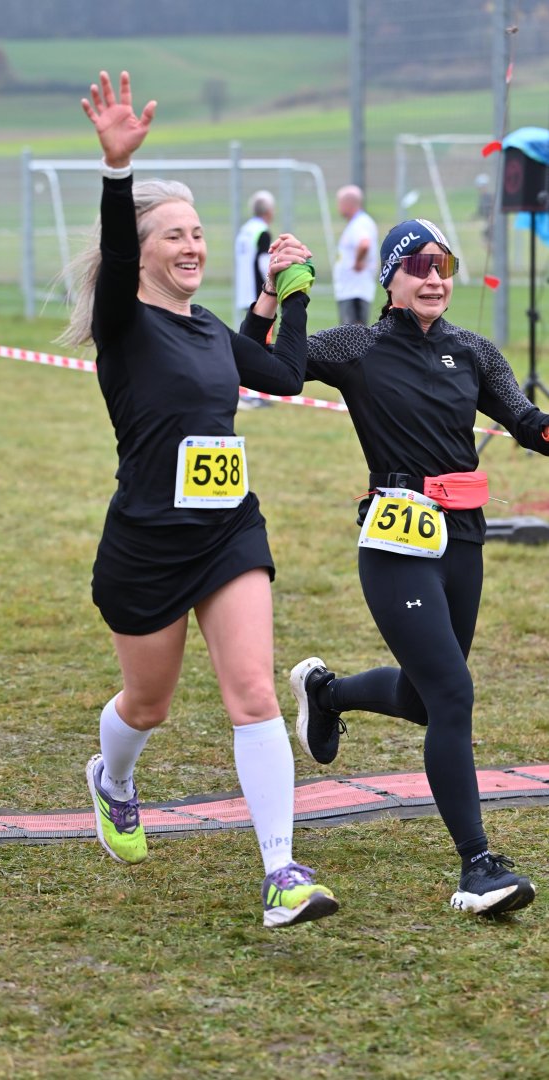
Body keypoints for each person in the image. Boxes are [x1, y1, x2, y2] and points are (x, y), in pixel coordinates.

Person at [67, 70, 337, 929]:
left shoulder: (210, 327)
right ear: (142, 251)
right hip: (148, 541)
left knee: (253, 693)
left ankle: (282, 872)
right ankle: (113, 780)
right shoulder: (123, 323)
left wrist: (288, 294)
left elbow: (283, 374)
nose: (192, 245)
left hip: (228, 533)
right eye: (175, 235)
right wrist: (118, 170)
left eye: (198, 233)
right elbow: (118, 249)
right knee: (146, 704)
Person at [242, 216, 548, 918]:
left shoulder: (474, 351)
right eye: (419, 266)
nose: (435, 278)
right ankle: (478, 867)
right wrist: (277, 296)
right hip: (395, 545)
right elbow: (260, 365)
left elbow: (528, 423)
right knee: (453, 695)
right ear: (390, 278)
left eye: (444, 266)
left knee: (425, 697)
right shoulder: (359, 346)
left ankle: (327, 694)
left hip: (461, 542)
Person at [235, 190, 276, 407]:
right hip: (259, 294)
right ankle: (254, 394)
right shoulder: (262, 232)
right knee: (260, 345)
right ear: (269, 211)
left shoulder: (245, 230)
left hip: (244, 290)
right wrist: (273, 286)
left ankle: (248, 391)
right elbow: (263, 263)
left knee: (248, 341)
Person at [333, 184, 378, 326]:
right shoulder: (356, 223)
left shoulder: (360, 223)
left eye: (340, 203)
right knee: (351, 330)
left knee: (353, 332)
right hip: (351, 289)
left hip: (355, 290)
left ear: (348, 203)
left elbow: (364, 243)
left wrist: (358, 262)